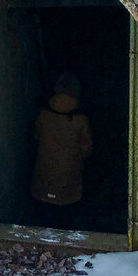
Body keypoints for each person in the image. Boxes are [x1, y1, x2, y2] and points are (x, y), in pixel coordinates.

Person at [30, 73, 92, 209]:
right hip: (69, 185)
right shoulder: (81, 120)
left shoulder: (43, 114)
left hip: (43, 181)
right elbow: (86, 149)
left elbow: (36, 137)